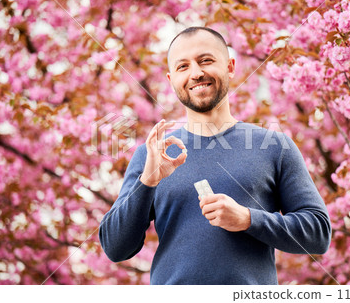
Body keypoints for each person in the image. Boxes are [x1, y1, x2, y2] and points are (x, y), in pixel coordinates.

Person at [99, 27, 331, 285]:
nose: (196, 73)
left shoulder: (275, 146)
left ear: (230, 66)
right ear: (171, 79)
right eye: (183, 66)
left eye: (206, 61)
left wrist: (248, 219)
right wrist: (147, 183)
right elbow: (115, 247)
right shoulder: (152, 154)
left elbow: (318, 233)